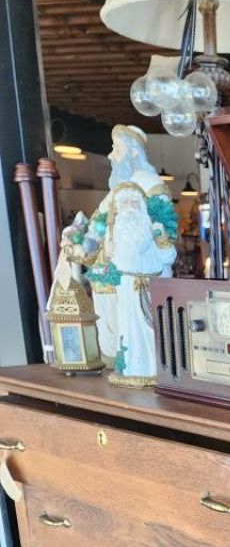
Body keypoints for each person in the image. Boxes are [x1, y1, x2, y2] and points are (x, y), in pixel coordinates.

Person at [62, 125, 178, 367]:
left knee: (142, 330)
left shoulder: (150, 184)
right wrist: (83, 241)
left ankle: (141, 366)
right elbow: (98, 224)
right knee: (116, 331)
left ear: (133, 152)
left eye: (117, 149)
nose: (111, 155)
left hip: (142, 275)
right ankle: (119, 363)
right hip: (115, 275)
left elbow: (164, 232)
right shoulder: (118, 189)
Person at [104, 182, 177, 385]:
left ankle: (159, 369)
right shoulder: (114, 234)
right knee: (130, 332)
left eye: (134, 202)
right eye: (124, 203)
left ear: (142, 206)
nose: (129, 207)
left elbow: (169, 257)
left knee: (155, 330)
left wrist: (162, 240)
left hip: (154, 288)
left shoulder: (152, 230)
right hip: (128, 292)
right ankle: (134, 369)